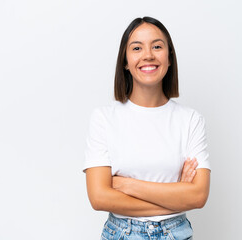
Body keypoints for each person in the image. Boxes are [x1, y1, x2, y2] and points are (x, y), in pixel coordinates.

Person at [83, 16, 211, 240]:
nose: (148, 55)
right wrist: (175, 196)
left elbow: (198, 196)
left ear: (169, 58)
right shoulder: (104, 118)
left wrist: (127, 185)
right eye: (137, 48)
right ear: (125, 60)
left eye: (157, 46)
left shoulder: (190, 120)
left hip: (177, 234)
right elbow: (99, 198)